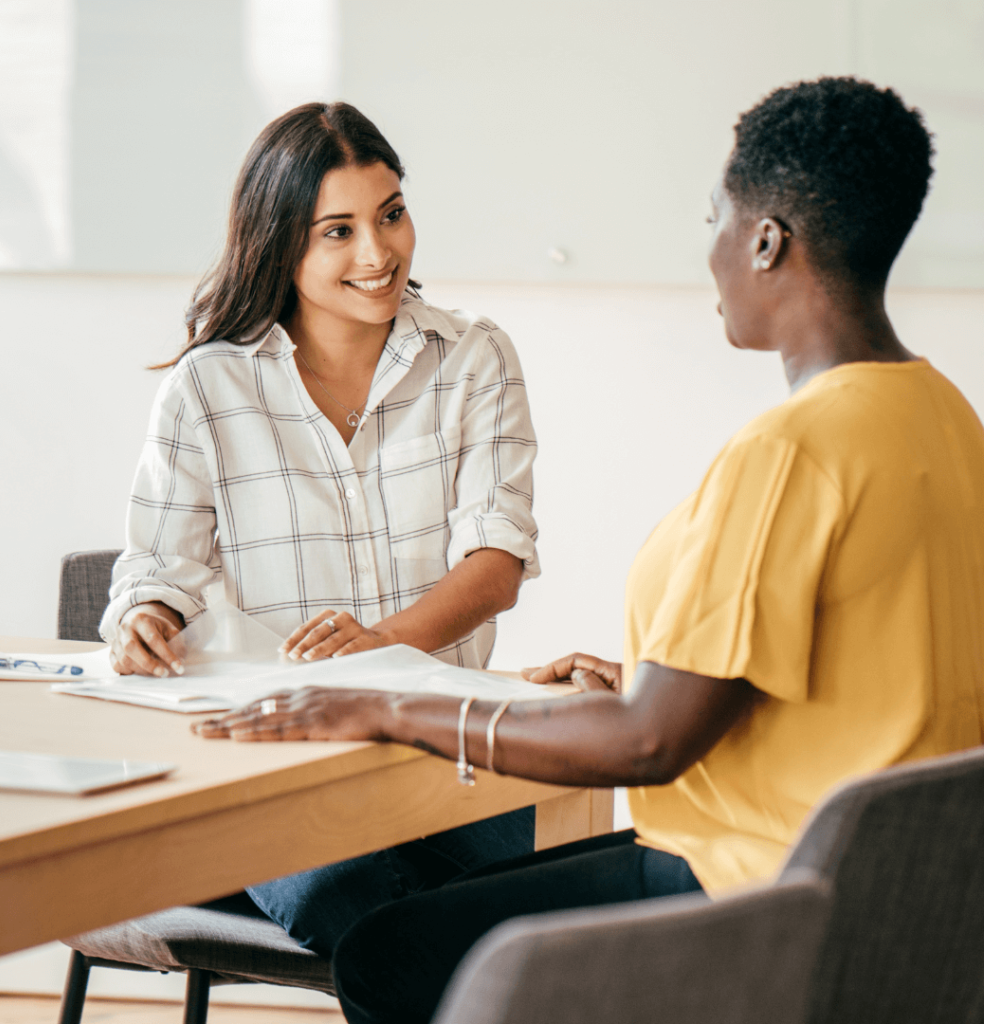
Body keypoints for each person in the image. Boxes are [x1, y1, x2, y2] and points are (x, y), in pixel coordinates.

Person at [196, 76, 984, 1024]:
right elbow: (878, 678)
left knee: (390, 954)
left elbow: (649, 746)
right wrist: (653, 678)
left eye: (716, 221)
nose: (713, 252)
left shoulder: (790, 454)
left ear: (767, 240)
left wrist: (387, 705)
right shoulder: (945, 418)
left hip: (755, 890)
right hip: (897, 900)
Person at [100, 102, 541, 955]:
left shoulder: (474, 357)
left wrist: (375, 649)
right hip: (276, 776)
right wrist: (144, 619)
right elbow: (154, 569)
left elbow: (496, 562)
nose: (378, 253)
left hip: (447, 763)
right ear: (280, 244)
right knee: (372, 911)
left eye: (391, 214)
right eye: (336, 231)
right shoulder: (207, 388)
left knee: (551, 895)